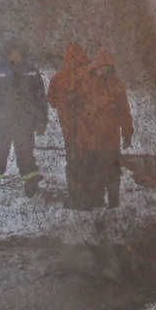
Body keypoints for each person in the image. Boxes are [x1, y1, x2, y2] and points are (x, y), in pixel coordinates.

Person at [0, 36, 48, 196]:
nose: (13, 55)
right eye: (9, 51)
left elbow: (40, 97)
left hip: (25, 122)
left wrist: (41, 120)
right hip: (0, 122)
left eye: (15, 51)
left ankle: (31, 185)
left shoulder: (31, 70)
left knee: (26, 155)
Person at [79, 50, 133, 208]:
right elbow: (81, 110)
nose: (104, 72)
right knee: (95, 170)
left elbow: (124, 110)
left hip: (111, 137)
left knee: (112, 170)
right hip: (92, 137)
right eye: (102, 68)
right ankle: (97, 199)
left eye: (107, 69)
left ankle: (113, 200)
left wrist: (127, 131)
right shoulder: (88, 84)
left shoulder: (116, 85)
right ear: (96, 68)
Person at [49, 43, 94, 209]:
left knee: (74, 162)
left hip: (69, 128)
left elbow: (51, 98)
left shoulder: (59, 77)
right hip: (89, 128)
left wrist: (64, 108)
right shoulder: (91, 75)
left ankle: (76, 197)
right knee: (89, 161)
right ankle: (93, 197)